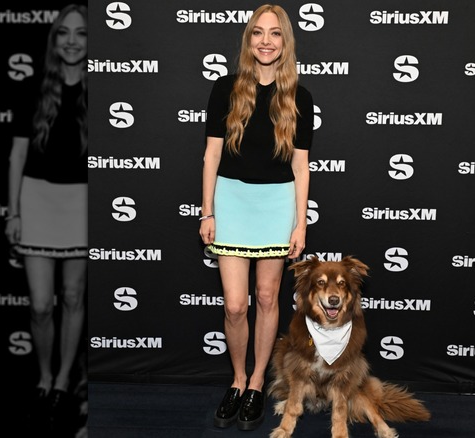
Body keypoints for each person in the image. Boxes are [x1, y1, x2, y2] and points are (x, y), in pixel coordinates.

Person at [199, 4, 314, 432]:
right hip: (230, 202)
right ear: (248, 41)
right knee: (234, 305)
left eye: (275, 34)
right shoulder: (224, 88)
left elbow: (301, 167)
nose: (266, 41)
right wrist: (207, 210)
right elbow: (211, 155)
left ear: (286, 42)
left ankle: (256, 384)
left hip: (277, 205)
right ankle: (237, 378)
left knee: (267, 298)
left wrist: (300, 223)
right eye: (257, 33)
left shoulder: (300, 96)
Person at [4, 3, 88, 431]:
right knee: (40, 306)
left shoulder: (100, 92)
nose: (71, 41)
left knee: (73, 299)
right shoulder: (32, 87)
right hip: (36, 200)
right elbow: (18, 153)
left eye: (80, 33)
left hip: (81, 203)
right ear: (54, 40)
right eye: (63, 33)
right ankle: (42, 376)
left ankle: (60, 382)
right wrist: (13, 212)